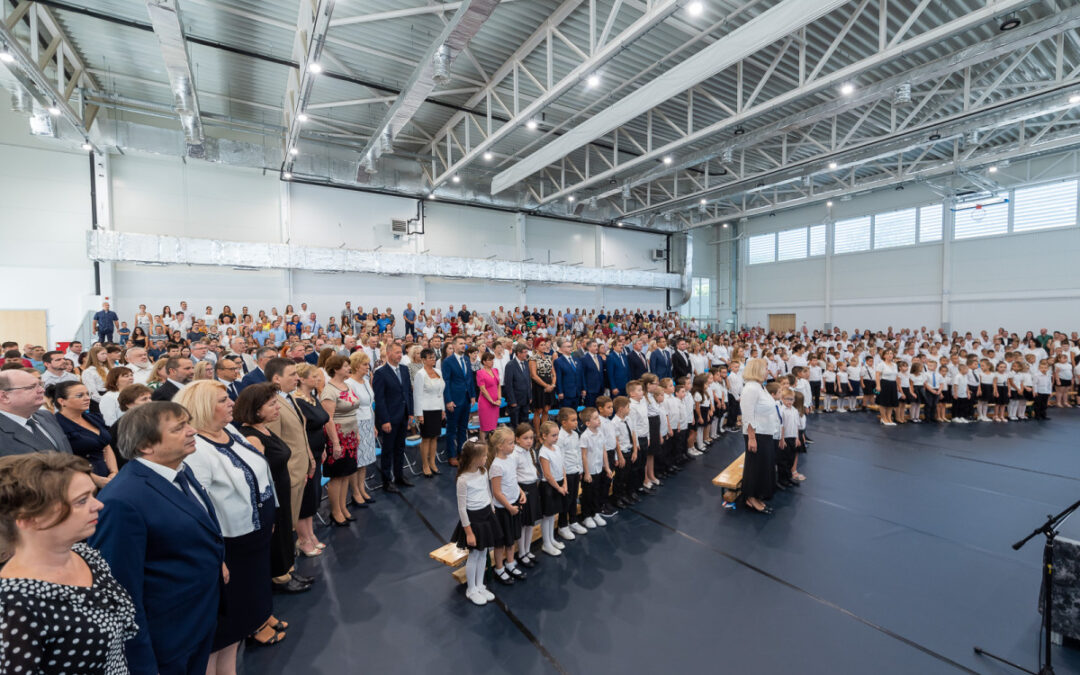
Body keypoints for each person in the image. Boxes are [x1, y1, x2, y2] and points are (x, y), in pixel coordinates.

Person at [90, 402, 226, 675]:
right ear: (146, 446)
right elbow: (121, 593)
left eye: (188, 423)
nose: (192, 431)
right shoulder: (122, 501)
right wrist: (141, 663)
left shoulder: (178, 471)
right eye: (179, 428)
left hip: (196, 620)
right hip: (167, 639)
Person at [174, 380, 291, 668]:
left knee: (254, 587)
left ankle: (257, 621)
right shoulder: (197, 448)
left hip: (255, 530)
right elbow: (199, 507)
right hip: (230, 539)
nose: (231, 404)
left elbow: (259, 471)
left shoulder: (229, 431)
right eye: (223, 400)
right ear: (202, 407)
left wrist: (271, 512)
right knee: (233, 605)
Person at [0, 453, 138, 674]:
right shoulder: (15, 604)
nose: (98, 505)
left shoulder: (87, 556)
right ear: (30, 518)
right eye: (81, 501)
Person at [234, 383, 304, 599]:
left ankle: (287, 570)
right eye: (272, 404)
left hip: (281, 489)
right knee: (277, 536)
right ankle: (280, 577)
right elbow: (256, 474)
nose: (278, 408)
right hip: (271, 494)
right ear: (256, 409)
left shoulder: (263, 429)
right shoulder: (252, 437)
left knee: (285, 533)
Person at [264, 358, 315, 528]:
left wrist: (309, 458)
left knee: (292, 521)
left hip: (299, 469)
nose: (297, 378)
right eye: (292, 374)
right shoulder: (272, 403)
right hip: (288, 473)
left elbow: (299, 431)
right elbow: (274, 444)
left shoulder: (288, 398)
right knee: (286, 524)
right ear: (277, 378)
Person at [450, 440, 500, 606]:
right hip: (474, 521)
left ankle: (480, 585)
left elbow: (487, 491)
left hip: (486, 515)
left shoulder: (483, 471)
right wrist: (469, 532)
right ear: (474, 458)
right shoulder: (463, 480)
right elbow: (462, 509)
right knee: (475, 555)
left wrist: (492, 507)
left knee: (484, 552)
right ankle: (471, 589)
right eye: (484, 455)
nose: (486, 457)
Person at [49, 381, 119, 489]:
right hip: (81, 481)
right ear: (62, 401)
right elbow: (64, 460)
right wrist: (95, 480)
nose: (87, 398)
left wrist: (114, 472)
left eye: (87, 394)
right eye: (80, 396)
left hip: (108, 476)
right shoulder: (57, 425)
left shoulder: (93, 418)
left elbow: (106, 446)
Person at [320, 356, 359, 525]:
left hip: (350, 436)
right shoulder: (329, 391)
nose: (349, 368)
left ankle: (343, 507)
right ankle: (335, 511)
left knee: (346, 474)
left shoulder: (348, 385)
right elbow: (328, 419)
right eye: (345, 366)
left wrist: (356, 433)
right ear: (336, 369)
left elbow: (352, 412)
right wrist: (335, 443)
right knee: (337, 476)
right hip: (337, 437)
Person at [0, 369, 74, 456]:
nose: (42, 390)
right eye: (31, 387)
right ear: (5, 396)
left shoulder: (46, 416)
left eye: (40, 385)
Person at [372, 343, 414, 493]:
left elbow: (408, 392)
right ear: (388, 353)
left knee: (400, 448)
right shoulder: (380, 373)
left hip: (403, 415)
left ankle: (399, 475)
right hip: (389, 418)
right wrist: (384, 420)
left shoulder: (404, 369)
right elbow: (380, 399)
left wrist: (410, 412)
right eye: (396, 352)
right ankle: (386, 480)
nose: (399, 355)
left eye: (400, 352)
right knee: (388, 450)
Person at [487, 427, 526, 586]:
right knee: (501, 542)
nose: (513, 446)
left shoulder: (511, 459)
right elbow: (496, 492)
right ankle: (499, 568)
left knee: (511, 539)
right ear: (500, 446)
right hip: (503, 509)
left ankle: (510, 563)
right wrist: (509, 507)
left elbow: (513, 480)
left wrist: (521, 492)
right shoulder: (496, 466)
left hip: (513, 503)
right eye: (510, 443)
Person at [739, 358, 778, 515]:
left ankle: (758, 494)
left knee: (763, 466)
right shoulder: (751, 388)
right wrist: (752, 437)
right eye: (765, 367)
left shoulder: (760, 387)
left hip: (765, 432)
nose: (767, 370)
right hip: (757, 434)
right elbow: (747, 415)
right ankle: (750, 498)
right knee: (754, 466)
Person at [346, 351, 377, 505]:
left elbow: (371, 403)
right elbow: (350, 409)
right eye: (365, 364)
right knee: (357, 460)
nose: (367, 367)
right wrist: (356, 430)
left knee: (364, 460)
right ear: (357, 366)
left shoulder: (365, 380)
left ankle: (362, 488)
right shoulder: (349, 383)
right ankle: (355, 492)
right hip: (357, 424)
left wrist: (374, 425)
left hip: (368, 421)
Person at [442, 336, 476, 467]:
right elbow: (446, 382)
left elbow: (469, 379)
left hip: (466, 399)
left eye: (464, 343)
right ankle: (451, 456)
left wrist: (472, 395)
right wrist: (448, 400)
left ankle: (461, 454)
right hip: (454, 400)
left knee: (463, 428)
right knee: (451, 430)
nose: (464, 346)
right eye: (461, 344)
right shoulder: (448, 362)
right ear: (454, 346)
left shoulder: (466, 359)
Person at [412, 347, 445, 477]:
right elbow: (417, 395)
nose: (433, 359)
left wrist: (442, 409)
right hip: (425, 410)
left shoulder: (438, 371)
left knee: (435, 437)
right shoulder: (420, 374)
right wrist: (419, 414)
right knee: (426, 438)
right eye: (430, 357)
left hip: (437, 408)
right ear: (423, 360)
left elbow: (441, 393)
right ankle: (425, 464)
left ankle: (433, 463)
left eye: (433, 357)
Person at [511, 423, 541, 569]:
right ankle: (521, 552)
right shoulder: (514, 455)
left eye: (531, 438)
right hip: (522, 490)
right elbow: (512, 477)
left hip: (532, 488)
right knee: (523, 524)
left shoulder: (531, 452)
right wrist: (520, 492)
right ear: (517, 439)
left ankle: (527, 550)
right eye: (525, 438)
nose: (529, 441)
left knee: (531, 522)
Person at [537, 420, 567, 557]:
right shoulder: (543, 452)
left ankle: (551, 539)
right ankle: (546, 543)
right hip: (549, 487)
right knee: (547, 516)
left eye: (557, 435)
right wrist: (559, 488)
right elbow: (548, 475)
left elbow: (562, 467)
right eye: (553, 435)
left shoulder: (557, 448)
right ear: (544, 436)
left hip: (559, 483)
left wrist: (565, 483)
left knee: (553, 515)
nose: (556, 438)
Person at [529, 337, 557, 437]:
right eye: (541, 345)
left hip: (549, 385)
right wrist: (546, 386)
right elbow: (533, 375)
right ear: (536, 347)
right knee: (539, 410)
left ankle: (543, 432)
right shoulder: (533, 358)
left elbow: (553, 372)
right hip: (539, 386)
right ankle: (537, 433)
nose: (544, 346)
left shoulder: (549, 357)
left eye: (545, 344)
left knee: (546, 410)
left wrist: (553, 384)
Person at [503, 343, 532, 429]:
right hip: (515, 400)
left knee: (525, 424)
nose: (526, 354)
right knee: (516, 424)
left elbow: (528, 380)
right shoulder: (510, 365)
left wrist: (529, 396)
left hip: (525, 399)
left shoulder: (526, 363)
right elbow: (508, 384)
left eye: (527, 352)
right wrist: (512, 400)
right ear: (518, 353)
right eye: (524, 352)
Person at [475, 351, 501, 441]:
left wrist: (499, 399)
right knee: (484, 427)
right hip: (485, 402)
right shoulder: (480, 373)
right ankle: (483, 446)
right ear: (484, 362)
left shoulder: (495, 370)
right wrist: (492, 401)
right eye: (490, 360)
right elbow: (483, 389)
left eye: (492, 360)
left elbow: (498, 385)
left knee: (494, 425)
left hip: (496, 402)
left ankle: (493, 445)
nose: (492, 362)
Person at [554, 338, 584, 410]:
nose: (571, 348)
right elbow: (558, 378)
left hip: (577, 392)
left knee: (574, 412)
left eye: (571, 346)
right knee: (566, 413)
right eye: (568, 346)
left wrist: (583, 388)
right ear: (562, 349)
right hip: (566, 393)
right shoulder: (558, 361)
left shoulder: (576, 359)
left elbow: (581, 375)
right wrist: (560, 392)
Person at [579, 341, 605, 408]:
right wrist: (584, 388)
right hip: (590, 390)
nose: (596, 348)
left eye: (597, 346)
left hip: (600, 388)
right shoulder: (584, 359)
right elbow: (582, 375)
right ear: (589, 348)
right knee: (590, 409)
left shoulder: (599, 357)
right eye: (594, 346)